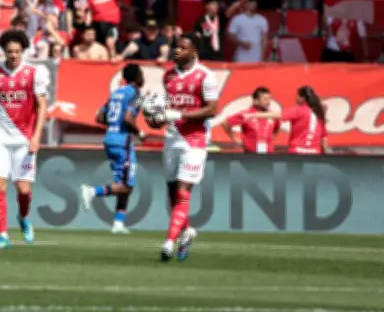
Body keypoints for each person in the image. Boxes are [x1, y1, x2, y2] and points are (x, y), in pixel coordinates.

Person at [147, 33, 218, 262]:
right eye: (176, 47)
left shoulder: (205, 76)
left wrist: (178, 114)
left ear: (194, 52)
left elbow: (212, 110)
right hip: (172, 137)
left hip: (195, 140)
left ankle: (169, 242)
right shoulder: (168, 76)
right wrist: (157, 119)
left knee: (182, 191)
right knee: (172, 192)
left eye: (183, 48)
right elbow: (168, 108)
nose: (177, 51)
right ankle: (186, 231)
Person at [0, 30, 50, 249]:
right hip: (1, 138)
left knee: (23, 189)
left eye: (17, 51)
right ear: (4, 51)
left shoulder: (34, 73)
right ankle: (2, 236)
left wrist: (37, 136)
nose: (14, 55)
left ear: (23, 51)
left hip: (25, 139)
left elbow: (42, 106)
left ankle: (23, 217)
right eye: (10, 51)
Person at [79, 63, 144, 234]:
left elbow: (99, 117)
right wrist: (140, 132)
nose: (143, 77)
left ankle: (118, 223)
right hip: (123, 142)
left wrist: (114, 124)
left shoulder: (116, 92)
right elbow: (128, 118)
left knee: (121, 183)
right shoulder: (136, 94)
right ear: (137, 77)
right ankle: (92, 191)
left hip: (109, 139)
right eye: (141, 74)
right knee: (127, 186)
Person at [244, 86, 329, 155]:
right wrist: (326, 154)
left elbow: (278, 115)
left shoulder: (299, 110)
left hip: (297, 153)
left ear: (302, 98)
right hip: (315, 154)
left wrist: (254, 115)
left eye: (297, 96)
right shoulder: (319, 113)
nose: (295, 98)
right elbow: (323, 139)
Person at [221, 87, 279, 154]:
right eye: (265, 99)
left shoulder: (273, 115)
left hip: (269, 154)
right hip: (250, 155)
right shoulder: (246, 114)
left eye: (269, 99)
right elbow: (225, 123)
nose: (268, 102)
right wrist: (235, 139)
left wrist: (271, 138)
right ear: (255, 101)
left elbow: (277, 128)